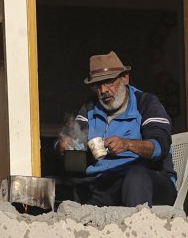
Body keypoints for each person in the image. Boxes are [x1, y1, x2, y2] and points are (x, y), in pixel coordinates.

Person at [56, 51, 177, 208]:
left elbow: (160, 146)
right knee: (54, 187)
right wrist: (64, 144)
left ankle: (136, 230)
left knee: (135, 177)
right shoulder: (90, 108)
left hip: (151, 181)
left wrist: (128, 144)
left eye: (109, 82)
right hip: (104, 182)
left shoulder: (146, 103)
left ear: (125, 78)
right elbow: (71, 137)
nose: (104, 90)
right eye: (98, 85)